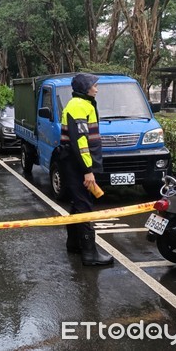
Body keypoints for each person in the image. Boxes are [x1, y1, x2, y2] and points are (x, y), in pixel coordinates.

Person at [60, 73, 113, 266]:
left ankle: (74, 243)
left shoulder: (82, 104)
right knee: (84, 206)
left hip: (75, 163)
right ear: (85, 88)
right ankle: (90, 253)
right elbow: (80, 142)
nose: (96, 89)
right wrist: (87, 170)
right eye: (94, 86)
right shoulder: (78, 106)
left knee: (78, 203)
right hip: (77, 164)